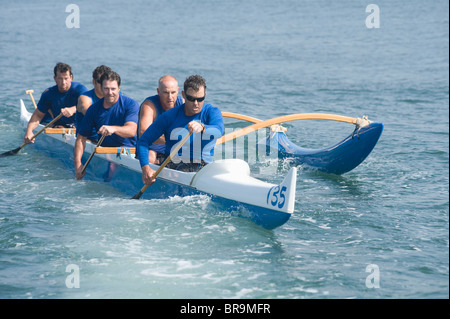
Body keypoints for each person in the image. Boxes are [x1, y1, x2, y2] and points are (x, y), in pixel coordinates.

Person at [137, 75, 224, 186]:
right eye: (191, 99)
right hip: (172, 165)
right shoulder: (170, 116)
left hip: (202, 164)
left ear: (205, 95)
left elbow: (219, 131)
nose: (196, 103)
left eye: (200, 99)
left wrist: (203, 128)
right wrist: (145, 168)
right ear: (183, 95)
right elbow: (143, 141)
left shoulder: (212, 112)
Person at [74, 70, 139, 180]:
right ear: (101, 89)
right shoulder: (93, 109)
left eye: (113, 89)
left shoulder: (131, 105)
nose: (110, 92)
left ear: (119, 88)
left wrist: (113, 129)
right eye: (106, 89)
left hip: (130, 150)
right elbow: (81, 138)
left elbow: (131, 130)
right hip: (106, 151)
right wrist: (78, 165)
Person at [24, 62, 87, 144]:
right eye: (60, 79)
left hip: (77, 126)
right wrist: (29, 132)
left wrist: (73, 109)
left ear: (71, 78)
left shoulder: (80, 89)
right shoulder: (48, 94)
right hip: (59, 126)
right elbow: (37, 115)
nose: (63, 82)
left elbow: (88, 107)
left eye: (66, 78)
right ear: (55, 78)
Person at [138, 75, 184, 164]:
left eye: (173, 92)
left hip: (174, 149)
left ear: (178, 90)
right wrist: (172, 139)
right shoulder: (149, 105)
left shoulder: (183, 104)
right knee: (150, 158)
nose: (170, 97)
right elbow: (143, 133)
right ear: (158, 91)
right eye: (166, 93)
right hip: (152, 148)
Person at [75, 65, 112, 142]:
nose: (103, 85)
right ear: (93, 82)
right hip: (88, 139)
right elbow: (89, 112)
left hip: (108, 139)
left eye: (105, 81)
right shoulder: (85, 98)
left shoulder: (116, 97)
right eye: (100, 81)